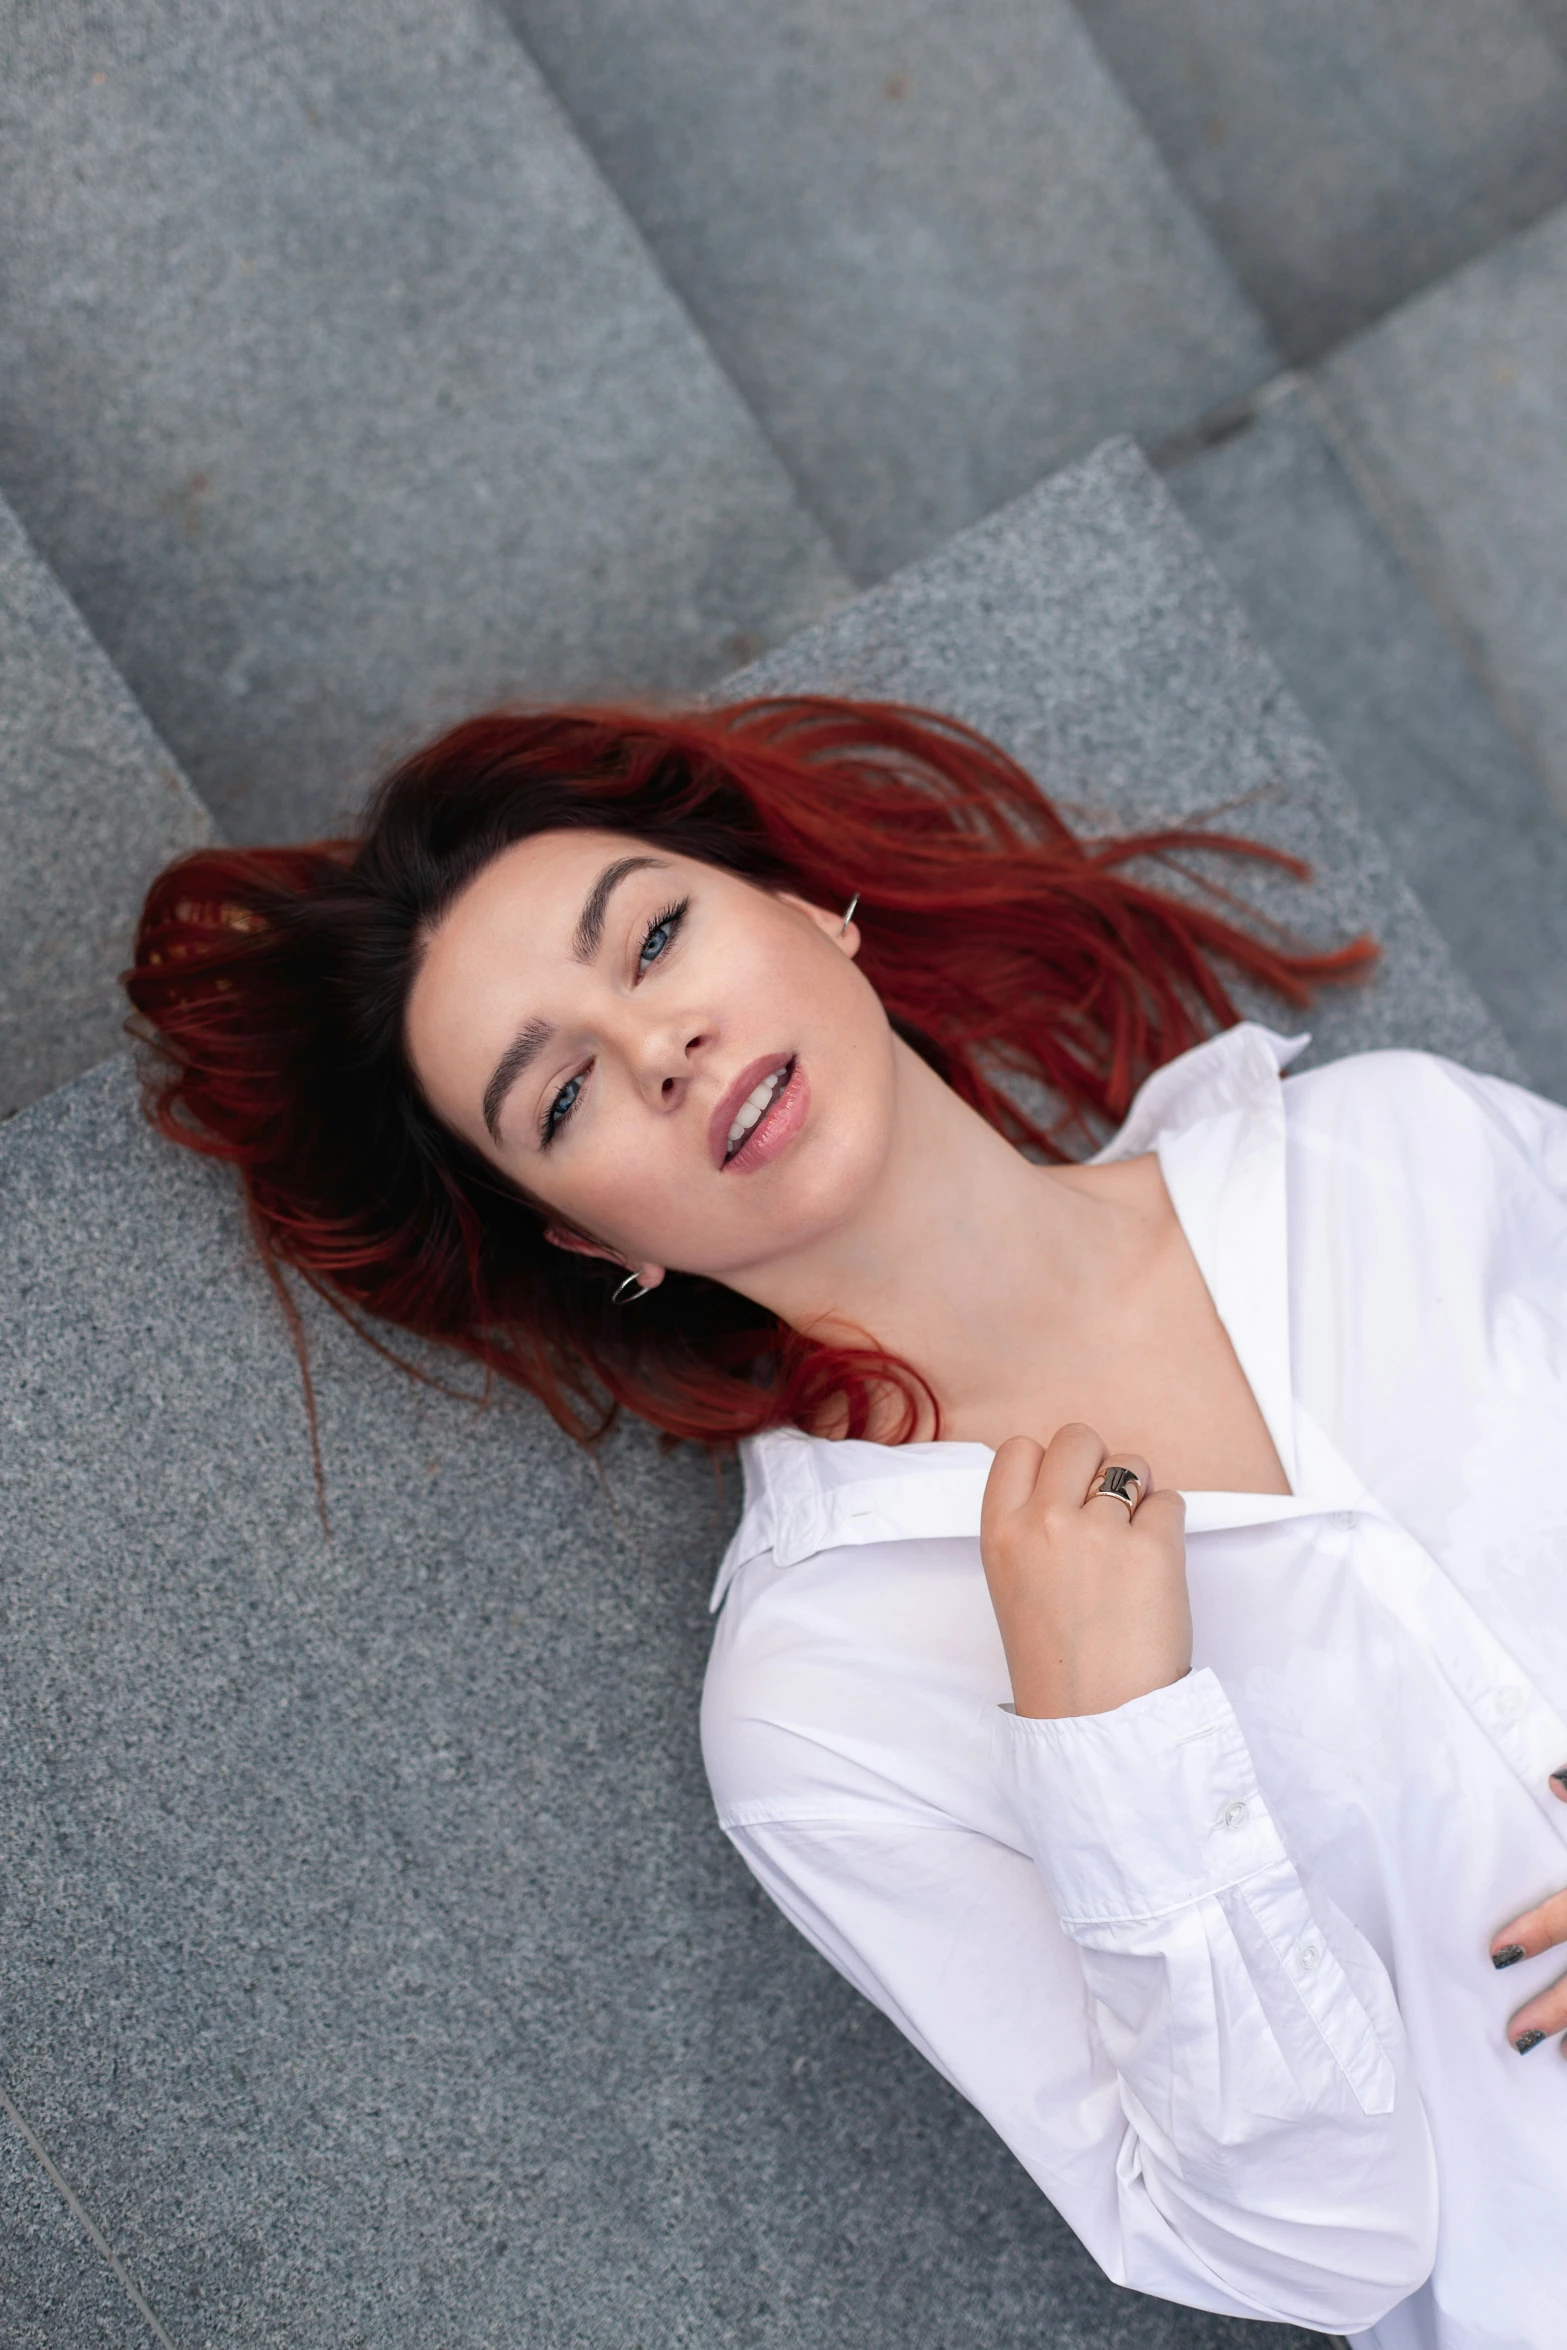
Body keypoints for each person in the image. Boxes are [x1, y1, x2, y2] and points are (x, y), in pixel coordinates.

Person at [128, 698, 1567, 2350]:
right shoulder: (818, 1699)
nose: (653, 1045)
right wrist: (1116, 1741)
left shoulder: (1396, 1147)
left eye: (656, 937)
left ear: (807, 911)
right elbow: (1321, 2254)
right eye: (561, 1095)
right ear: (587, 1233)